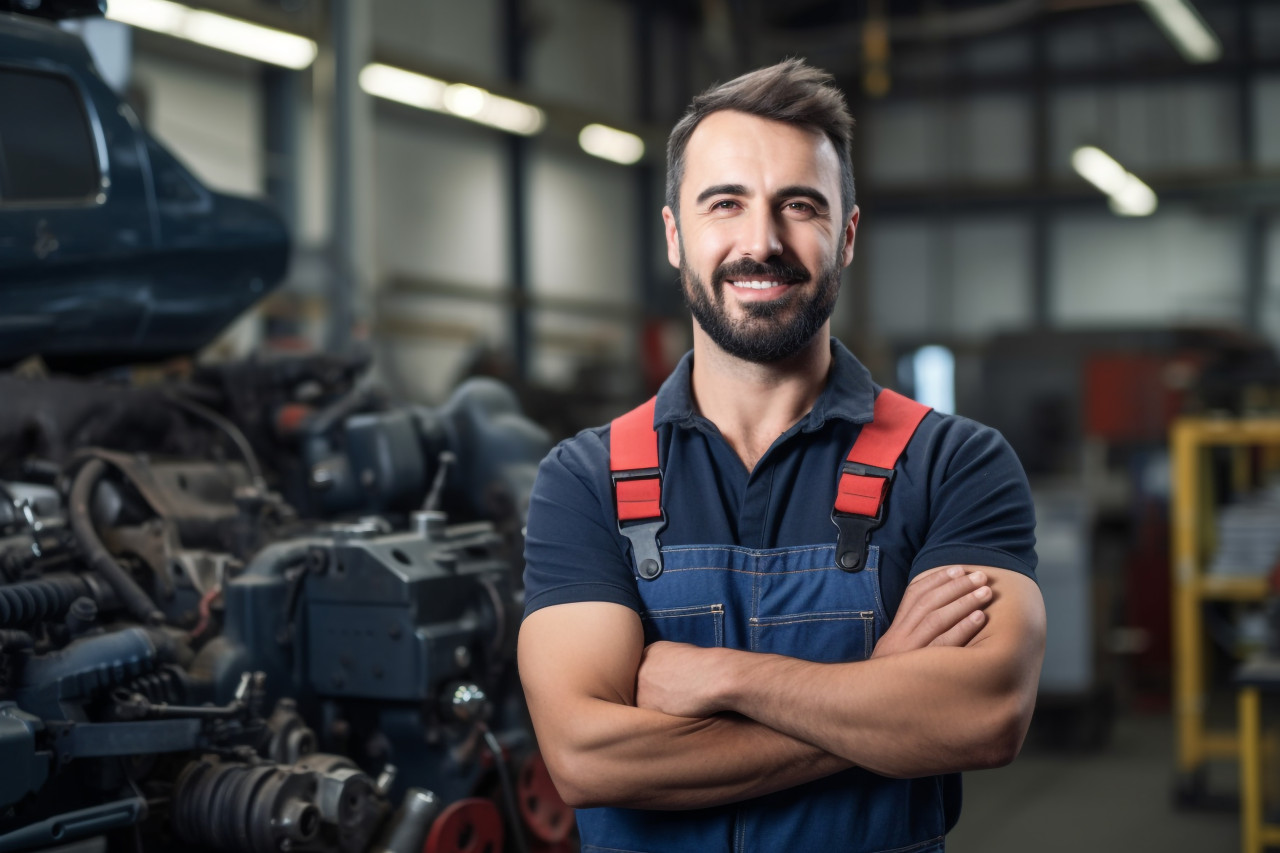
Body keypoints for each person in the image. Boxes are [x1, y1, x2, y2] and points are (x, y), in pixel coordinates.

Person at [518, 58, 1045, 853]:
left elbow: (984, 715)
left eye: (799, 205)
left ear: (849, 234)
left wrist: (726, 678)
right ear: (674, 235)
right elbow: (586, 757)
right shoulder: (585, 478)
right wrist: (880, 688)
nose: (760, 242)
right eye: (724, 203)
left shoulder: (954, 463)